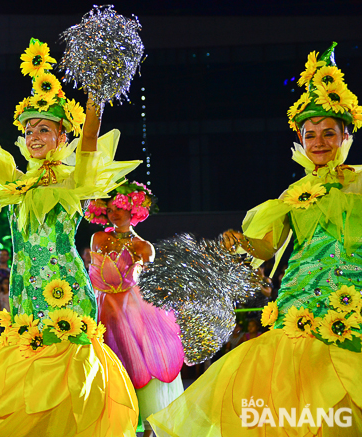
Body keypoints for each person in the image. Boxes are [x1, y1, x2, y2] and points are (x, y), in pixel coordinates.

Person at [149, 43, 362, 436]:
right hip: (301, 301)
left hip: (354, 298)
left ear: (345, 134)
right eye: (309, 134)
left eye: (327, 133)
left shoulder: (360, 184)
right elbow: (267, 247)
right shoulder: (291, 196)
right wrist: (243, 242)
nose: (317, 142)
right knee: (298, 391)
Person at [0, 38, 141, 437]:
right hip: (27, 291)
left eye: (44, 129)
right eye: (29, 129)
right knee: (25, 378)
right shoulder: (16, 183)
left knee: (66, 378)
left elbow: (89, 145)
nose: (33, 135)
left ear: (61, 137)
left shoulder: (72, 182)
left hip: (67, 291)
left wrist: (95, 95)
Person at [86, 181, 184, 436]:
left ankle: (149, 428)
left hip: (135, 311)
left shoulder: (144, 247)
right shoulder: (99, 238)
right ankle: (115, 424)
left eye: (119, 208)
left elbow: (150, 282)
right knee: (111, 364)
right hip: (104, 309)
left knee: (141, 363)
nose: (114, 213)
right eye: (109, 209)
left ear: (133, 211)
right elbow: (99, 276)